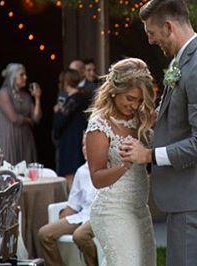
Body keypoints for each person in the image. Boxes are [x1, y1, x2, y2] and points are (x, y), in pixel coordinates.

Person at [120, 0, 197, 265]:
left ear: (169, 27)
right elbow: (187, 124)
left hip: (196, 195)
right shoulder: (185, 60)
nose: (150, 39)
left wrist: (149, 156)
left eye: (151, 32)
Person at [85, 58, 156, 265]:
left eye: (140, 101)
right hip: (112, 211)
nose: (134, 105)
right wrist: (125, 164)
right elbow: (97, 179)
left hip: (140, 209)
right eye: (130, 98)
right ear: (115, 90)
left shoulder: (141, 118)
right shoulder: (100, 124)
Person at [38, 136, 97, 266]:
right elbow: (73, 206)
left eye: (89, 145)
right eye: (83, 145)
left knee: (79, 236)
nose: (85, 149)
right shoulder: (81, 171)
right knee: (44, 234)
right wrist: (59, 221)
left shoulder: (107, 168)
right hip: (82, 216)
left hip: (99, 216)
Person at [0, 63, 42, 165]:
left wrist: (37, 98)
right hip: (10, 137)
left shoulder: (26, 96)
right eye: (22, 75)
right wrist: (28, 120)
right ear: (13, 76)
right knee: (10, 169)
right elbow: (14, 118)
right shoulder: (3, 94)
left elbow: (36, 118)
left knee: (27, 169)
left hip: (26, 138)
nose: (25, 77)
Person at [53, 69, 90, 188]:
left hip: (70, 143)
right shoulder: (83, 97)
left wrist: (57, 112)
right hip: (79, 139)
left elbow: (60, 121)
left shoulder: (73, 99)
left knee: (71, 177)